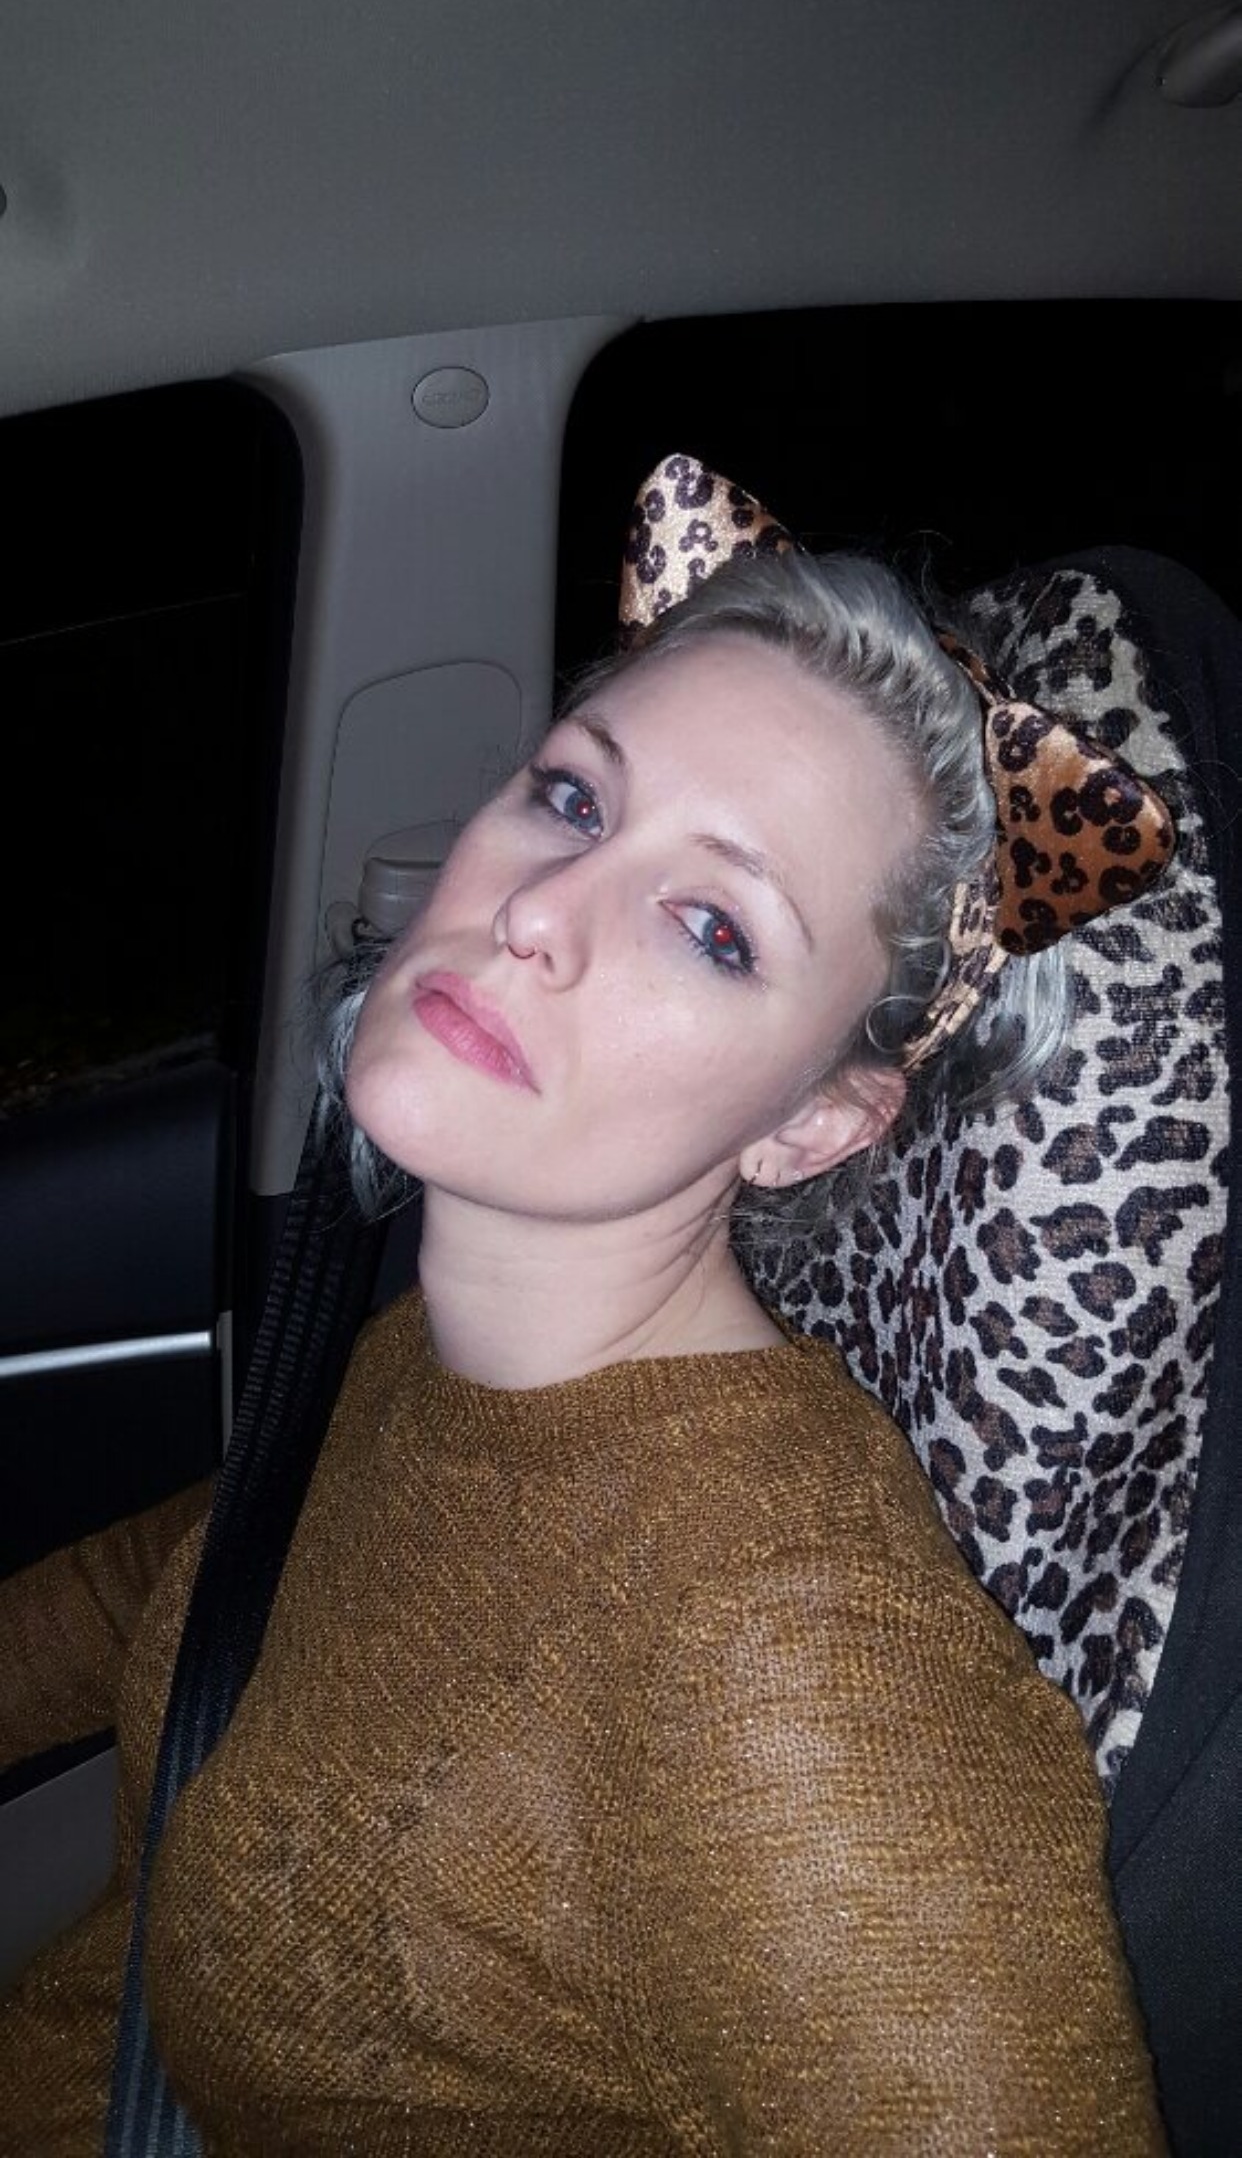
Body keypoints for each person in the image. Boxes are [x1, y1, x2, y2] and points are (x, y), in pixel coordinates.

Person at [0, 458, 1171, 2154]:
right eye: (570, 798)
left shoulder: (789, 1670)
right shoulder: (450, 1356)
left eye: (711, 928)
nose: (537, 913)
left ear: (814, 1121)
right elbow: (193, 1569)